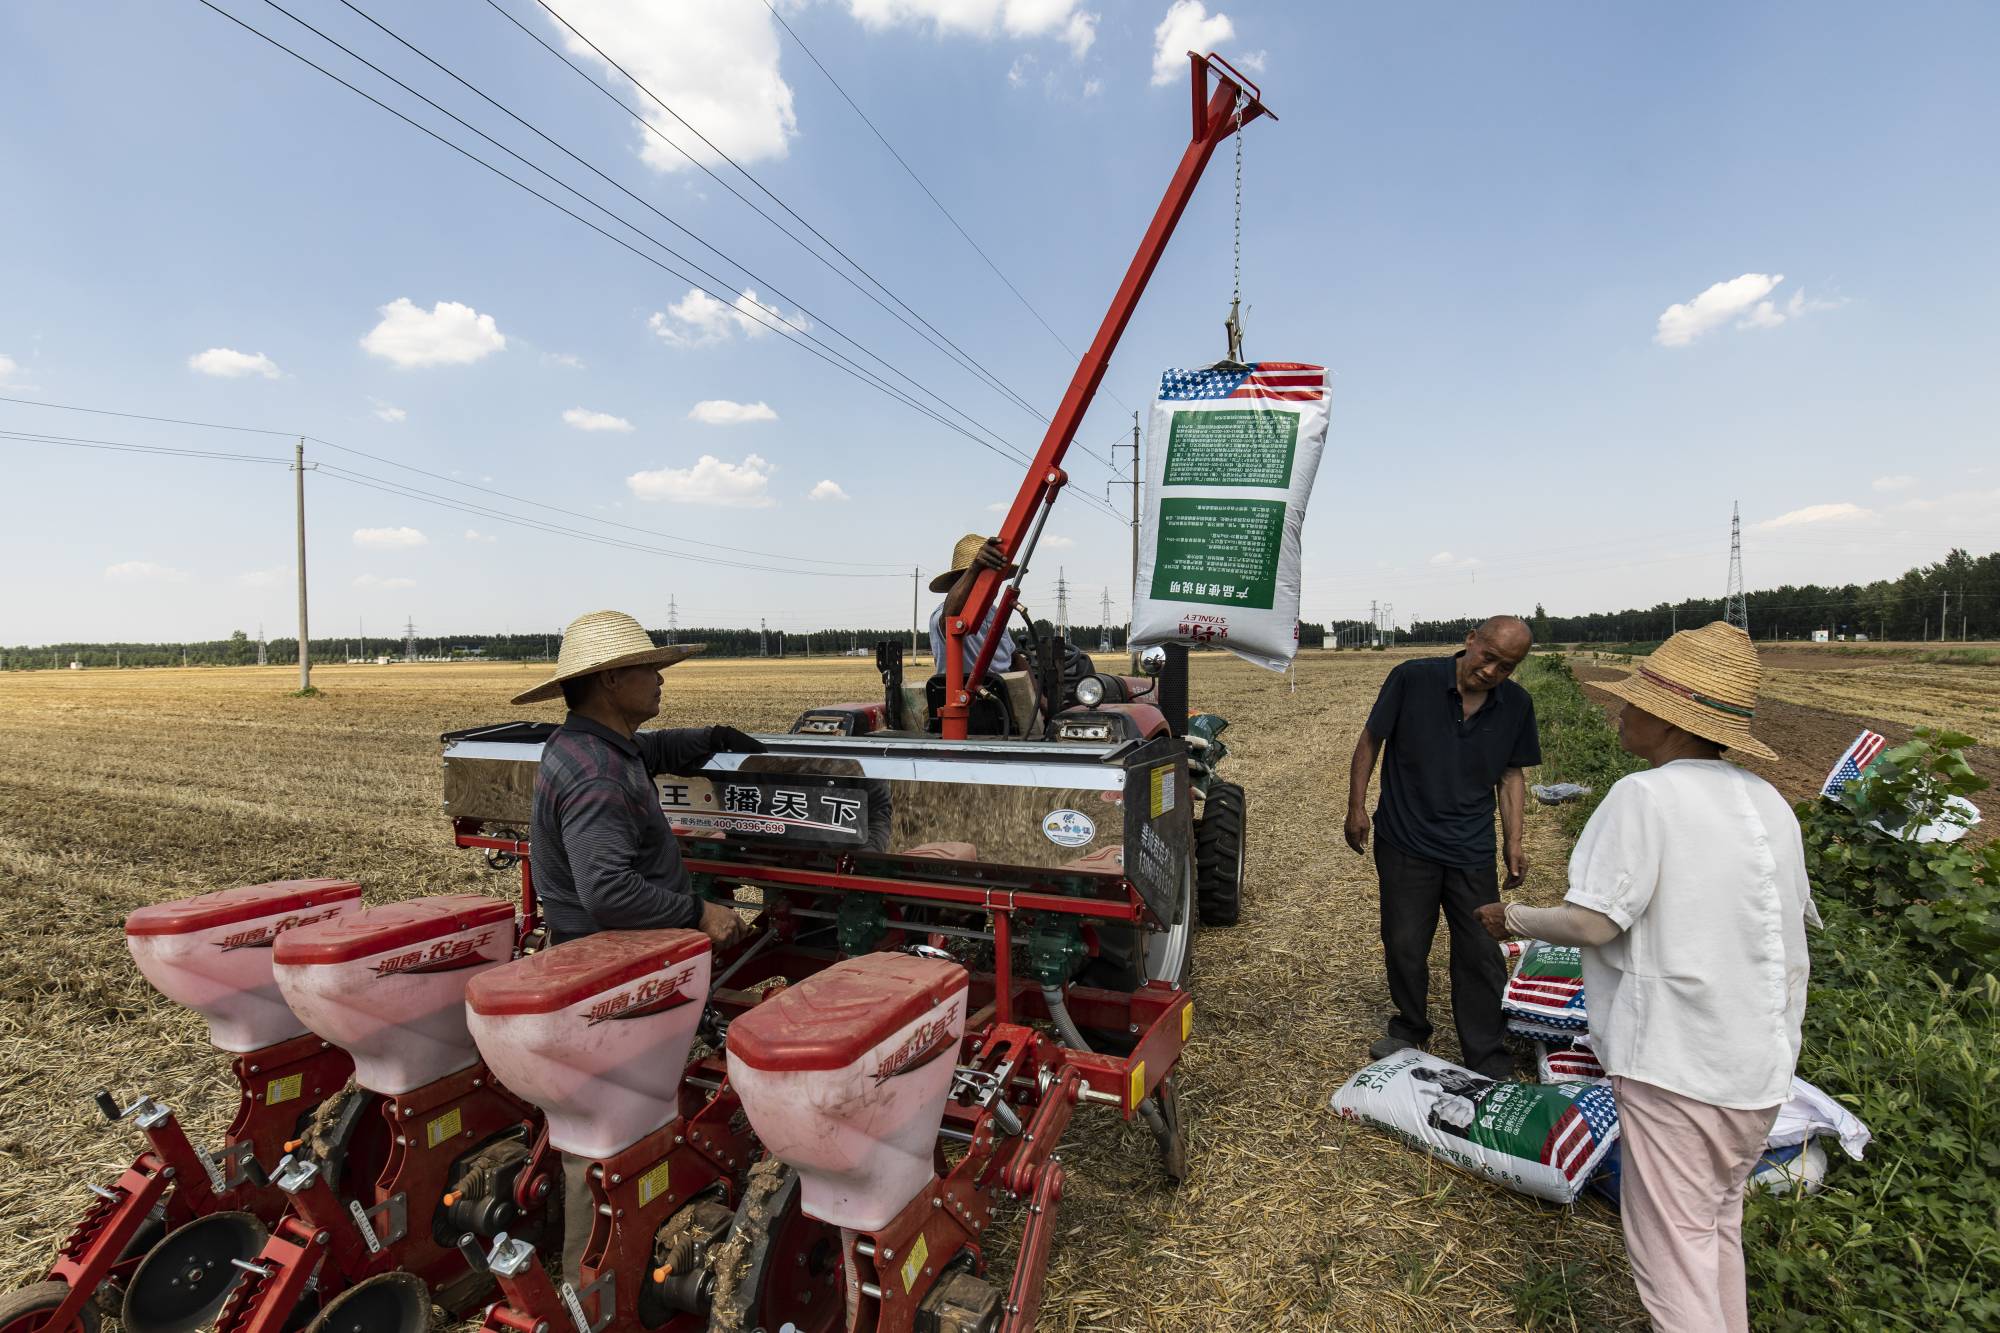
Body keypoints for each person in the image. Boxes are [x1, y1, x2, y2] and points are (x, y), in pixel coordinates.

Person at [1476, 622, 1813, 1333]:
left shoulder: (1646, 798)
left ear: (1669, 719)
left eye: (1633, 702)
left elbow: (1595, 922)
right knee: (1715, 1228)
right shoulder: (1769, 803)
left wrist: (1515, 917)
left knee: (1671, 1261)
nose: (1620, 711)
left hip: (1679, 1067)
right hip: (1759, 1068)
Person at [510, 609, 767, 1287]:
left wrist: (708, 739)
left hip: (591, 960)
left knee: (608, 1115)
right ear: (611, 680)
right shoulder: (598, 777)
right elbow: (609, 891)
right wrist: (699, 911)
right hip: (613, 974)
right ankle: (592, 1286)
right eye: (650, 670)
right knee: (616, 1128)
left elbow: (646, 751)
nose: (660, 680)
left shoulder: (589, 745)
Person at [1345, 616, 1538, 1080]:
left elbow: (1511, 775)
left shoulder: (1516, 705)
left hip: (1471, 847)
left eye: (1506, 667)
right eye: (1488, 657)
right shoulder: (1413, 678)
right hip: (1404, 838)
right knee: (1405, 941)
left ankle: (1487, 1055)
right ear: (1471, 640)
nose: (1492, 672)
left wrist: (1514, 841)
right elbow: (1371, 739)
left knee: (1480, 950)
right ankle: (1410, 1027)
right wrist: (1357, 807)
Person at [929, 533, 1028, 676]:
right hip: (968, 695)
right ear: (960, 581)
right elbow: (949, 621)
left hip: (1001, 693)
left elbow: (1014, 658)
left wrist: (1040, 696)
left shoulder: (993, 612)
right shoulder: (942, 615)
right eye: (982, 578)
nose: (991, 586)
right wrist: (975, 567)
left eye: (994, 579)